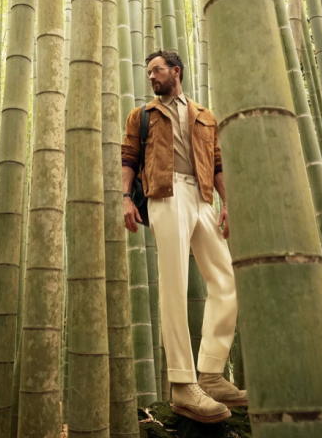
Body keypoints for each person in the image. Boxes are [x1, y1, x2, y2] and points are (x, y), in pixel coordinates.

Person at [121, 50, 247, 424]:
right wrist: (125, 197)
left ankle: (210, 372)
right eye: (148, 72)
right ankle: (181, 384)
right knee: (174, 285)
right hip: (165, 194)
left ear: (175, 71)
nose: (151, 77)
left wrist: (227, 202)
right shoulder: (142, 115)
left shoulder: (205, 115)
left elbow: (218, 161)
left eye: (156, 70)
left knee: (226, 279)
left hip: (201, 196)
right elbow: (128, 157)